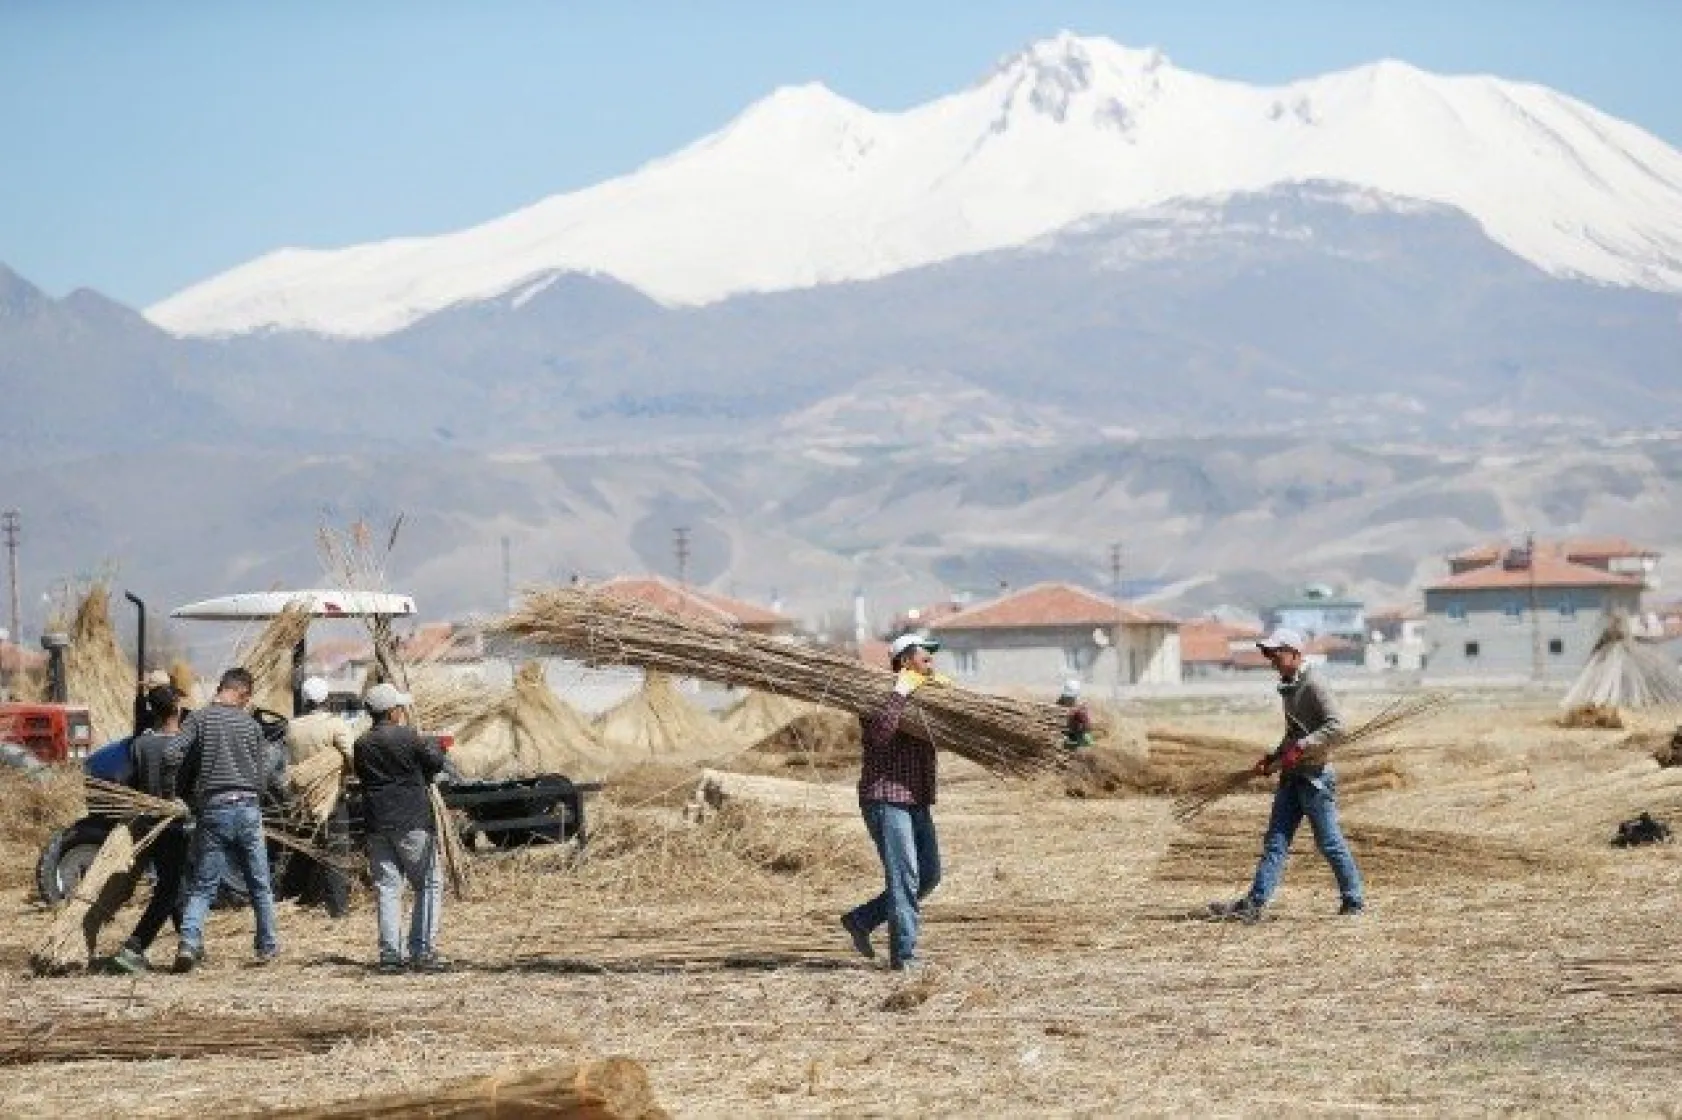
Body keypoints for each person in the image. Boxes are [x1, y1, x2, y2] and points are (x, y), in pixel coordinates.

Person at [1210, 628, 1365, 922]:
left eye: (1276, 654)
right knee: (1275, 842)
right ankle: (1255, 904)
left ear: (1295, 653)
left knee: (1329, 842)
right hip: (1292, 777)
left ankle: (1353, 900)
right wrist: (1272, 758)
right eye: (1269, 655)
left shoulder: (1314, 683)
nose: (1271, 661)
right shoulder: (1288, 685)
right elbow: (1293, 734)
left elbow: (1337, 727)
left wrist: (1304, 746)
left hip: (1315, 780)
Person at [166, 666, 288, 972]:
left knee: (204, 884)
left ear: (222, 688)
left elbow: (171, 753)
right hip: (248, 808)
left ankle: (189, 943)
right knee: (259, 883)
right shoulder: (251, 726)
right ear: (243, 693)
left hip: (214, 809)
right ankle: (267, 946)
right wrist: (253, 793)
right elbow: (263, 776)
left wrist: (177, 791)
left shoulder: (200, 718)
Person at [841, 633, 945, 972]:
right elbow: (879, 736)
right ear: (904, 662)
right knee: (904, 879)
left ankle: (862, 919)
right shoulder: (880, 694)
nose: (931, 664)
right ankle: (904, 956)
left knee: (928, 875)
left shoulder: (925, 700)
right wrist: (899, 691)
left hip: (916, 799)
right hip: (887, 798)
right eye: (925, 659)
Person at [353, 681, 448, 973]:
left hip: (377, 822)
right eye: (399, 707)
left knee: (388, 888)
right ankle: (421, 951)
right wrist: (435, 746)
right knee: (429, 883)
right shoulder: (408, 737)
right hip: (411, 820)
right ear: (392, 711)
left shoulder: (362, 744)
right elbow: (435, 763)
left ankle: (390, 955)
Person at [109, 685, 190, 973]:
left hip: (150, 824)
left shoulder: (140, 745)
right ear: (176, 709)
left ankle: (190, 943)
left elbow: (129, 783)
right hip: (177, 824)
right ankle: (136, 944)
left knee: (174, 882)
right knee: (170, 889)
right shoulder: (182, 743)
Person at [281, 676, 355, 917]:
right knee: (335, 851)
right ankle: (338, 907)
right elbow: (351, 755)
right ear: (326, 699)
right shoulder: (335, 725)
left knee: (304, 848)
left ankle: (296, 898)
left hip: (303, 797)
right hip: (331, 796)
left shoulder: (293, 727)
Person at [1056, 678, 1093, 750]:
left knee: (1085, 742)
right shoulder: (1059, 704)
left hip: (1078, 736)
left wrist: (1076, 729)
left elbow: (1087, 727)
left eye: (1071, 698)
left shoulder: (1081, 709)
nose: (1068, 700)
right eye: (1067, 697)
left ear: (1076, 696)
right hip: (1063, 735)